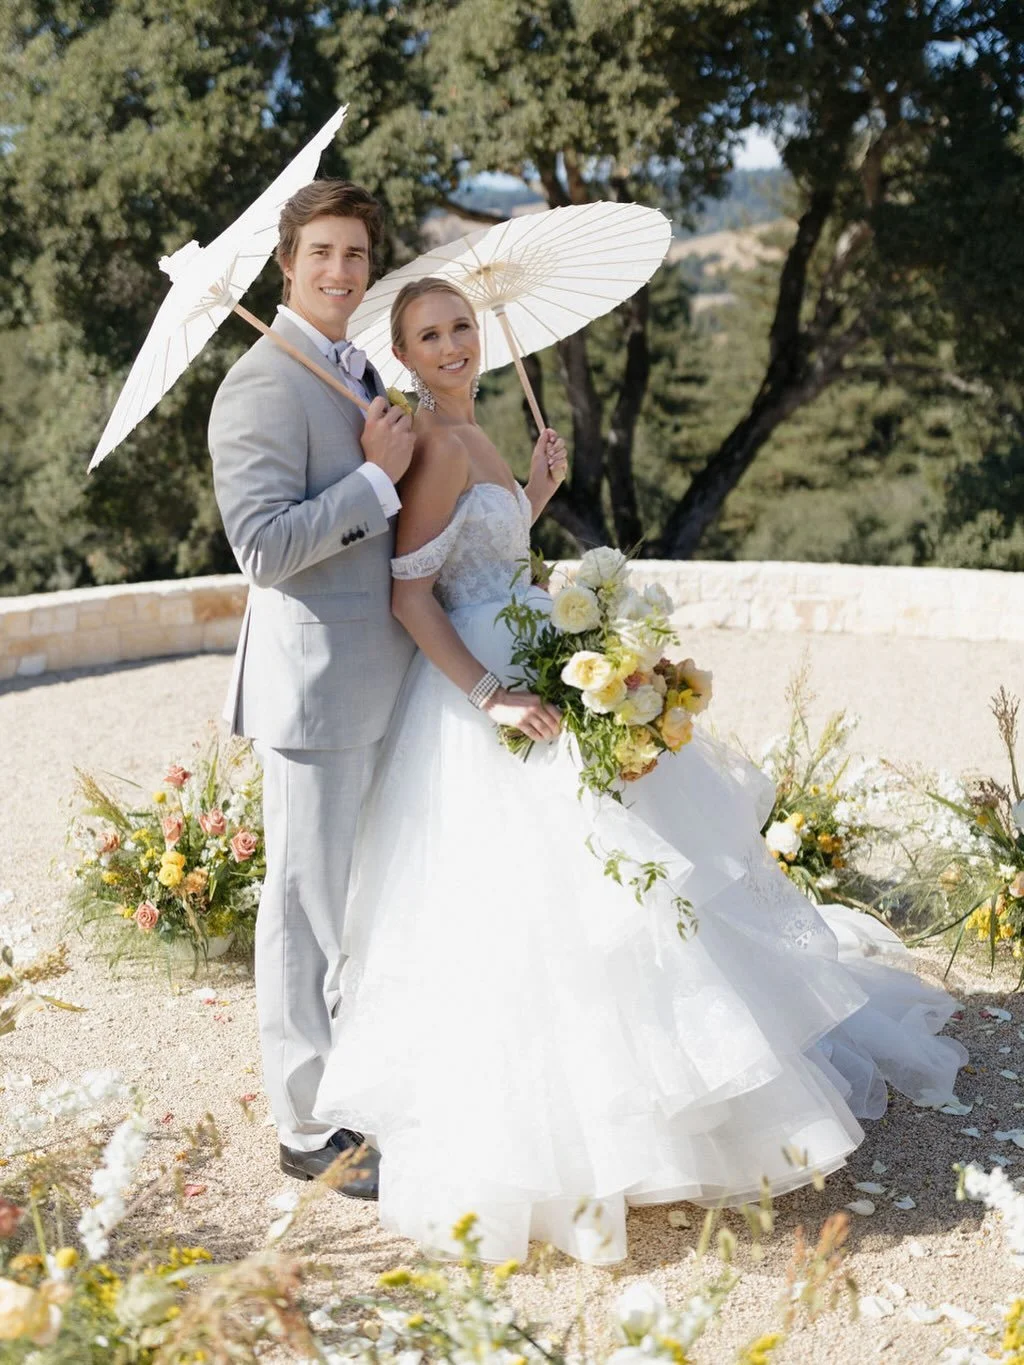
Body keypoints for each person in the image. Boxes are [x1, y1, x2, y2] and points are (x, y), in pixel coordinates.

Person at [313, 277, 967, 1264]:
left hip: (538, 650)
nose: (451, 346)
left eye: (460, 328)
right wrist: (491, 694)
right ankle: (590, 1137)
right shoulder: (436, 443)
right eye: (429, 335)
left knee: (636, 876)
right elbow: (414, 594)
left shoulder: (479, 434)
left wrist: (530, 493)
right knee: (549, 907)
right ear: (403, 355)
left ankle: (697, 1096)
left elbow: (488, 554)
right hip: (487, 691)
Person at [208, 180, 417, 1199]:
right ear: (286, 263)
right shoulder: (259, 384)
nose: (341, 270)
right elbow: (261, 547)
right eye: (323, 252)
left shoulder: (358, 367)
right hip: (314, 691)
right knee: (302, 908)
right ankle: (302, 1126)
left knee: (362, 902)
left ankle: (361, 1083)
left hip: (388, 676)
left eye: (356, 253)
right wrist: (373, 482)